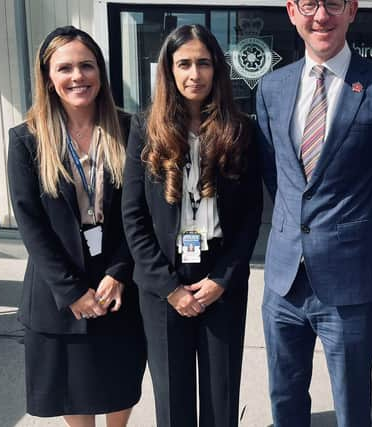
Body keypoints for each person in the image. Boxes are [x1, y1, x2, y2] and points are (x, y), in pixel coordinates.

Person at [255, 1, 372, 426]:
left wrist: (357, 239)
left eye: (333, 3)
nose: (321, 15)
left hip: (350, 283)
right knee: (284, 399)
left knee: (351, 406)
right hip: (283, 282)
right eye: (309, 3)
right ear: (292, 11)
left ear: (352, 10)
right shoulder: (272, 88)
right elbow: (277, 175)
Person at [121, 24, 262, 427]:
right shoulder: (145, 128)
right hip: (163, 285)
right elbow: (133, 216)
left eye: (203, 63)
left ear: (217, 69)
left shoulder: (240, 130)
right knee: (173, 398)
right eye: (184, 63)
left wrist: (224, 278)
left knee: (221, 396)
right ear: (168, 70)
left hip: (221, 281)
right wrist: (167, 288)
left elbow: (253, 213)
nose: (194, 74)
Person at [7, 26, 146, 427]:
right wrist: (70, 290)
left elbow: (139, 213)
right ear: (48, 77)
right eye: (64, 68)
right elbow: (31, 224)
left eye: (86, 66)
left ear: (101, 72)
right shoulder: (27, 139)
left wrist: (121, 272)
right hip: (59, 288)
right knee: (75, 386)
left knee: (119, 380)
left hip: (117, 282)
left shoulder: (129, 129)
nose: (77, 76)